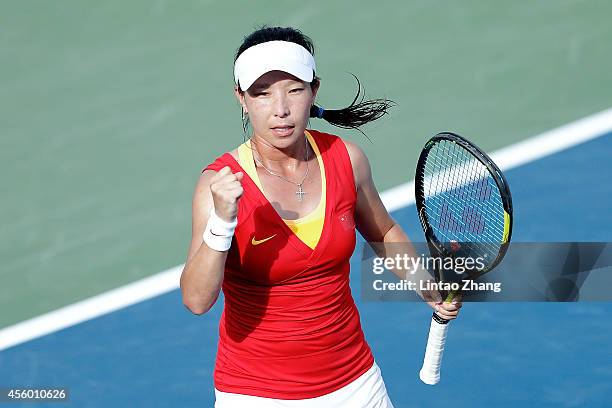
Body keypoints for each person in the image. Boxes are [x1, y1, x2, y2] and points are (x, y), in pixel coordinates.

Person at [180, 26, 462, 408]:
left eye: (294, 90)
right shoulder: (218, 184)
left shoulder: (346, 159)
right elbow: (197, 300)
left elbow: (385, 230)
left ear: (314, 90)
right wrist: (222, 223)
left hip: (356, 384)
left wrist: (423, 282)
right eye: (262, 93)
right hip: (257, 394)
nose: (280, 109)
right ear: (241, 100)